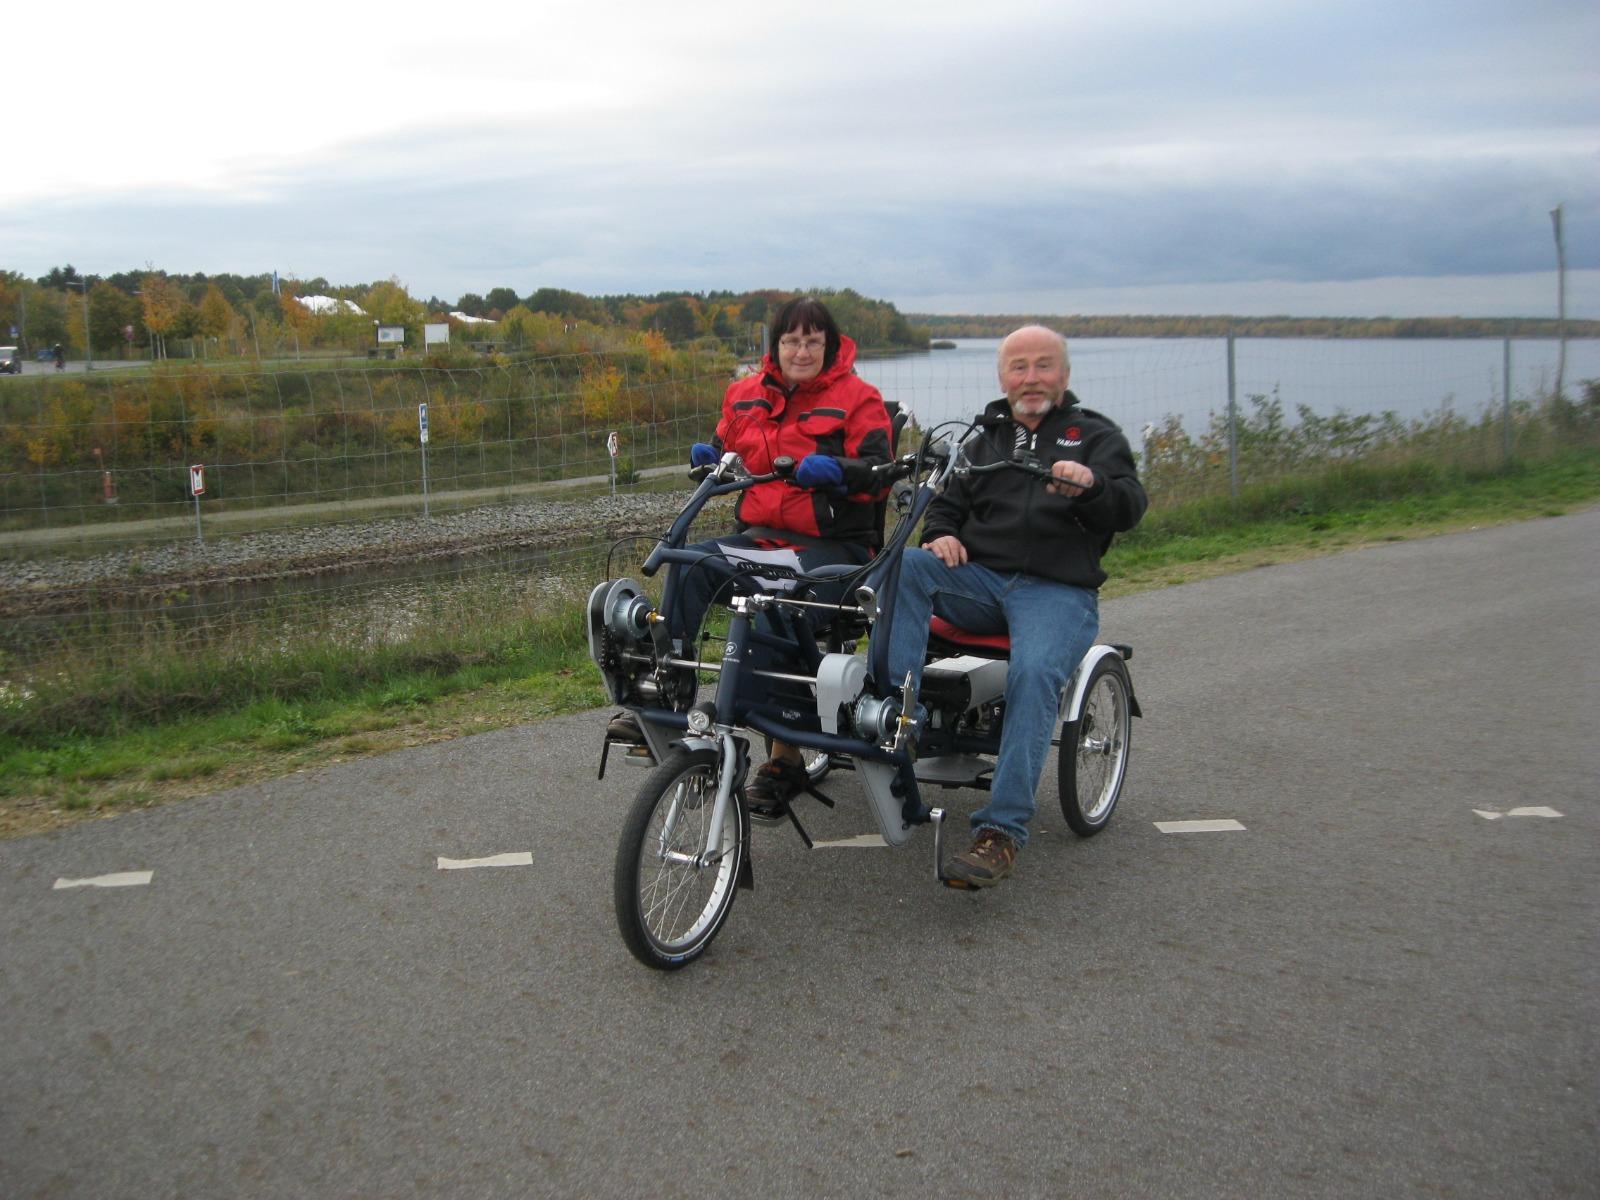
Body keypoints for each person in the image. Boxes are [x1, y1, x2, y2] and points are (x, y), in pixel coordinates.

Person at [884, 325, 1146, 887]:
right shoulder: (982, 441)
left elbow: (1130, 505)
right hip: (980, 582)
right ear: (1003, 378)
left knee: (1032, 675)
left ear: (1064, 376)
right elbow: (945, 507)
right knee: (902, 566)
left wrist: (1093, 485)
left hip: (1057, 590)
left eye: (1043, 366)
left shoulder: (1094, 435)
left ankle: (1000, 832)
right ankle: (899, 717)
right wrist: (941, 535)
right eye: (1019, 367)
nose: (1031, 378)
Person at [609, 296, 893, 811]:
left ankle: (784, 755)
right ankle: (667, 694)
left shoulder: (859, 399)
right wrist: (711, 457)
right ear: (776, 347)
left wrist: (839, 473)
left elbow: (880, 472)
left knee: (773, 602)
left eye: (812, 341)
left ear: (829, 347)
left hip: (836, 549)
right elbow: (728, 451)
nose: (801, 350)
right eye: (791, 341)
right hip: (761, 538)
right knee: (688, 564)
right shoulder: (744, 396)